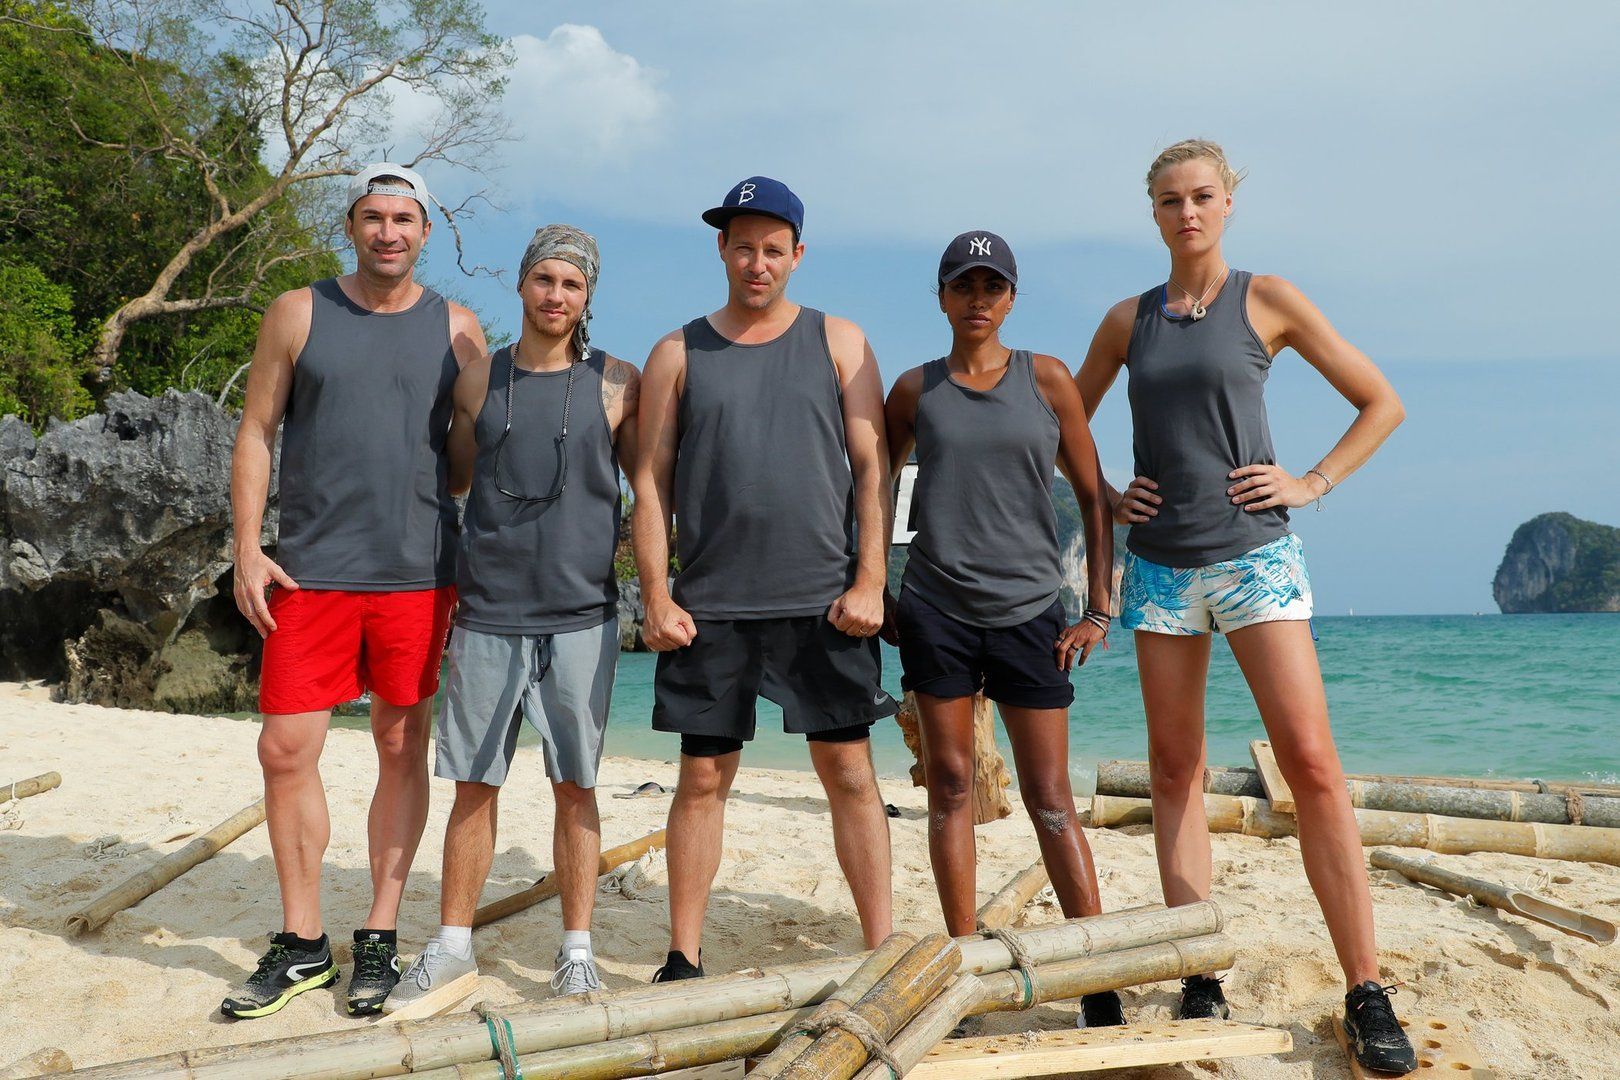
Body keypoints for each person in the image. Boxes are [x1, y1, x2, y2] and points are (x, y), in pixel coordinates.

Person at [1074, 139, 1412, 1073]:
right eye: (1172, 200)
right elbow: (1063, 419)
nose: (1189, 212)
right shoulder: (1124, 321)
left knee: (1311, 764)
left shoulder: (1270, 299)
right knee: (1175, 769)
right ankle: (1198, 968)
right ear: (1152, 212)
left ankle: (1366, 987)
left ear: (1229, 205)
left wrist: (1312, 480)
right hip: (1159, 572)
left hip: (1256, 560)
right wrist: (1106, 493)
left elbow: (1380, 402)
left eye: (1205, 197)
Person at [226, 163, 487, 1018]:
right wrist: (246, 548)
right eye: (373, 217)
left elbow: (470, 456)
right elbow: (258, 430)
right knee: (283, 750)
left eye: (404, 218)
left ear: (424, 232)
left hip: (418, 576)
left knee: (401, 746)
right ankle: (304, 943)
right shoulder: (298, 312)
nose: (388, 232)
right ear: (352, 227)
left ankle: (378, 932)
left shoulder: (458, 328)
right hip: (308, 570)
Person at [632, 176, 897, 981]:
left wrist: (871, 581)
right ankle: (683, 953)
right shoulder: (678, 352)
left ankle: (880, 947)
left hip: (822, 602)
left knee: (850, 770)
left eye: (772, 249)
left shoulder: (838, 341)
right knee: (703, 776)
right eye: (742, 246)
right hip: (710, 605)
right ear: (721, 248)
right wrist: (655, 594)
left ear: (797, 255)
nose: (757, 262)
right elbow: (649, 482)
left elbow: (872, 465)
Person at [382, 225, 639, 1013]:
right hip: (489, 610)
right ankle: (453, 943)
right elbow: (453, 481)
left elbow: (652, 494)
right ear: (522, 286)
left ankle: (577, 952)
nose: (555, 296)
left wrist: (667, 589)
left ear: (587, 295)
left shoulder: (618, 385)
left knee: (575, 785)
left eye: (571, 284)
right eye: (544, 280)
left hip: (582, 614)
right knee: (473, 785)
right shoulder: (476, 381)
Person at [884, 230, 1122, 1026]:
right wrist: (877, 590)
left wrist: (1098, 607)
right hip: (938, 610)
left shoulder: (1048, 380)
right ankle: (960, 968)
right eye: (963, 286)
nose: (978, 300)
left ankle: (1093, 975)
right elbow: (874, 491)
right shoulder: (916, 390)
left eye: (993, 286)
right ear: (943, 297)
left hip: (1030, 615)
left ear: (1012, 297)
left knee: (1050, 796)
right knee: (950, 790)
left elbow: (1095, 498)